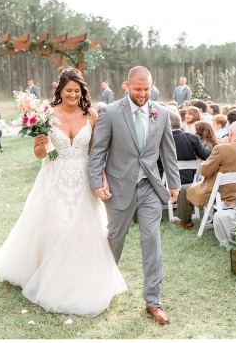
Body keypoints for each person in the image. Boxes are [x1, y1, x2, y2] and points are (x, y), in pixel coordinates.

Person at [0, 68, 127, 316]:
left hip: (82, 180)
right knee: (55, 228)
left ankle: (79, 277)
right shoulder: (46, 115)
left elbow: (96, 152)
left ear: (82, 92)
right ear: (60, 90)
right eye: (69, 90)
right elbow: (41, 154)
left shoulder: (92, 115)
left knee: (83, 230)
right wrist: (41, 145)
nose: (73, 94)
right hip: (54, 177)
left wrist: (101, 176)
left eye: (77, 90)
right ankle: (46, 273)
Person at [88, 66, 180, 325]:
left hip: (150, 187)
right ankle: (103, 288)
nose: (142, 93)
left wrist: (174, 183)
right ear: (126, 86)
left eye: (146, 89)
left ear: (153, 85)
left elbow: (168, 151)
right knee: (115, 239)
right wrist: (96, 182)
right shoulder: (111, 112)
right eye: (137, 88)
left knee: (152, 241)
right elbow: (98, 151)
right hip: (118, 188)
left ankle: (154, 301)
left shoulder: (161, 112)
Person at [174, 121, 236, 229]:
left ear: (230, 133)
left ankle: (185, 221)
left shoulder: (222, 148)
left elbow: (205, 171)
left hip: (218, 193)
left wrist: (203, 165)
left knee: (184, 189)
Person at [169, 112, 211, 185]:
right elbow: (206, 156)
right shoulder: (193, 138)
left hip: (166, 179)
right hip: (190, 180)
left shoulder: (161, 138)